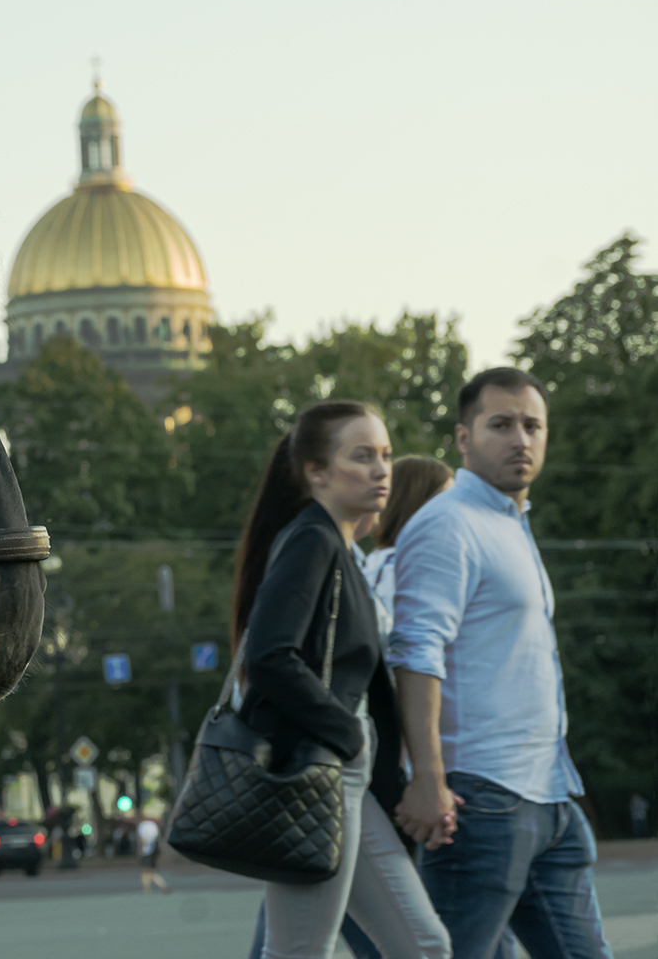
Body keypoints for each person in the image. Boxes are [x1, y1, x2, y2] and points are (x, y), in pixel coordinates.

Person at [390, 367, 613, 959]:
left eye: (532, 425)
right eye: (501, 424)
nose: (521, 438)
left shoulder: (510, 523)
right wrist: (429, 778)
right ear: (463, 438)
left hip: (549, 797)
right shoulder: (447, 524)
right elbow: (416, 653)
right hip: (481, 800)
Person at [234, 400, 450, 959]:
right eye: (362, 457)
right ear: (316, 471)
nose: (383, 470)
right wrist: (350, 735)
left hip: (338, 775)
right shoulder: (313, 539)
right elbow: (269, 656)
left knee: (423, 944)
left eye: (385, 455)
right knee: (302, 950)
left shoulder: (337, 544)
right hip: (318, 772)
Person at [362, 456, 454, 617]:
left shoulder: (375, 564)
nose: (457, 512)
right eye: (447, 501)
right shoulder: (401, 570)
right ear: (420, 507)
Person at [136, 818, 169, 894]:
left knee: (147, 871)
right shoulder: (153, 825)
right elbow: (158, 837)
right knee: (148, 871)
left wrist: (140, 850)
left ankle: (150, 888)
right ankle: (149, 888)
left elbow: (142, 839)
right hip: (154, 850)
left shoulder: (142, 826)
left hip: (146, 851)